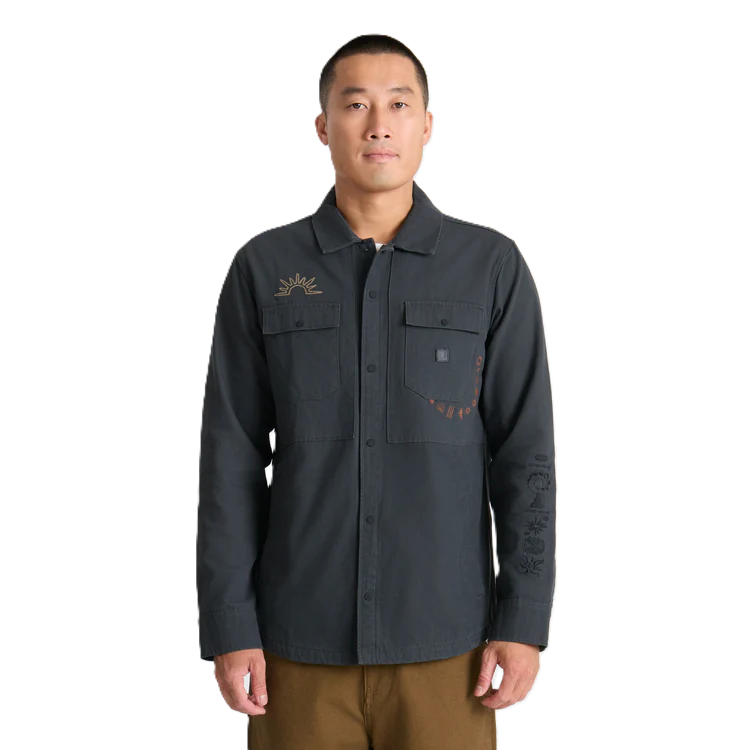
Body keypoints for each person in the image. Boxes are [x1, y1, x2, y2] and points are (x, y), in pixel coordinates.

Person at [195, 31, 557, 750]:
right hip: (297, 646)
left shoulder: (490, 266)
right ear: (323, 124)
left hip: (447, 647)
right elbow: (229, 457)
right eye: (355, 104)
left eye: (399, 104)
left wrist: (523, 620)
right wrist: (231, 625)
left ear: (427, 125)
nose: (379, 125)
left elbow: (526, 455)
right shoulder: (263, 267)